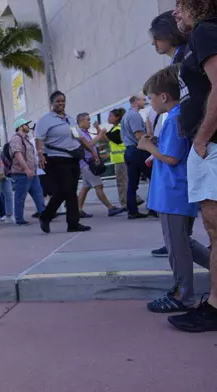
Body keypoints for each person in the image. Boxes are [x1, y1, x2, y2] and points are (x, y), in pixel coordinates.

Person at [138, 64, 210, 313]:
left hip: (172, 194)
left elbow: (171, 158)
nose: (150, 103)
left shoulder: (174, 118)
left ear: (163, 97)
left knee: (176, 247)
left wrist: (148, 147)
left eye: (151, 98)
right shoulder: (180, 115)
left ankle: (183, 295)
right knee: (184, 243)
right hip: (177, 193)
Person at [168, 0, 217, 332]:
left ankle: (215, 307)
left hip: (211, 146)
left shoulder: (205, 31)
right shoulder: (200, 36)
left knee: (216, 231)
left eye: (180, 5)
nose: (175, 13)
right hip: (208, 145)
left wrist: (201, 139)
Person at [148, 9, 190, 258]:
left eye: (157, 37)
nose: (154, 43)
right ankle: (178, 240)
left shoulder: (187, 60)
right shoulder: (178, 63)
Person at [34, 91, 98, 233]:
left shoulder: (70, 119)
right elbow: (39, 138)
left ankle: (73, 223)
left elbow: (80, 138)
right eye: (57, 101)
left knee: (71, 191)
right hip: (56, 158)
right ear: (51, 103)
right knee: (64, 190)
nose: (60, 103)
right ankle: (46, 216)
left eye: (62, 101)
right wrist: (40, 155)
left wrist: (92, 151)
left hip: (73, 158)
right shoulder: (45, 120)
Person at [75, 113, 124, 218]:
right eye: (87, 120)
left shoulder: (85, 133)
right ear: (81, 121)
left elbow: (93, 144)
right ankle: (110, 208)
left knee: (85, 187)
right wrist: (100, 134)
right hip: (87, 164)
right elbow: (89, 144)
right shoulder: (80, 133)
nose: (89, 122)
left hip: (86, 164)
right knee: (99, 186)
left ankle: (78, 210)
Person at [120, 94, 152, 219]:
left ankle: (132, 210)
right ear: (135, 101)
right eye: (143, 100)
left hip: (130, 151)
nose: (145, 102)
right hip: (137, 151)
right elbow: (139, 135)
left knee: (132, 184)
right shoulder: (134, 115)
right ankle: (154, 208)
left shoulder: (126, 116)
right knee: (154, 178)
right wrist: (151, 140)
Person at [9, 118, 45, 225]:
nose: (28, 126)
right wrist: (26, 169)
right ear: (20, 127)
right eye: (26, 125)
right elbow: (17, 154)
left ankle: (44, 215)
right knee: (20, 197)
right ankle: (19, 219)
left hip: (32, 172)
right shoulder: (16, 138)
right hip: (21, 173)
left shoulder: (27, 139)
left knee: (38, 194)